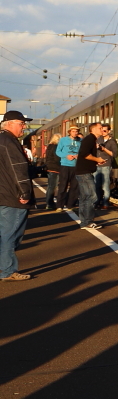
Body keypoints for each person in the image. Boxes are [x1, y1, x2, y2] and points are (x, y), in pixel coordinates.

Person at [0, 110, 34, 281]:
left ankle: (4, 267)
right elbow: (18, 169)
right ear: (10, 123)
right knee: (11, 234)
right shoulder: (9, 142)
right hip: (13, 196)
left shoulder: (1, 140)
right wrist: (25, 192)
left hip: (3, 193)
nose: (24, 126)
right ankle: (6, 271)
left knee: (5, 233)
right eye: (21, 123)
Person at [75, 122, 105, 232]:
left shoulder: (90, 139)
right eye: (100, 128)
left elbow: (85, 156)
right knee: (92, 196)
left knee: (84, 198)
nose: (103, 130)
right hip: (84, 173)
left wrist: (96, 163)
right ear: (93, 130)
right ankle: (88, 221)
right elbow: (84, 154)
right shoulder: (89, 139)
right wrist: (98, 160)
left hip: (83, 171)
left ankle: (84, 222)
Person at [55, 126, 81, 209]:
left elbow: (83, 151)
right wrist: (66, 156)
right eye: (73, 131)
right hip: (65, 165)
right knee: (63, 186)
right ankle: (60, 205)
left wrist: (79, 156)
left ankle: (70, 204)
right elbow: (58, 151)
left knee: (75, 186)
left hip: (76, 166)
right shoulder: (63, 140)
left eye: (76, 131)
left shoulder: (80, 141)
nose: (75, 133)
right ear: (69, 132)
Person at [94, 125, 117, 209]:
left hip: (106, 165)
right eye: (101, 130)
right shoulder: (98, 140)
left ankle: (105, 203)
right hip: (97, 165)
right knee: (96, 185)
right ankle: (97, 202)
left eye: (105, 131)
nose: (103, 132)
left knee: (105, 186)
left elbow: (114, 154)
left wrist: (104, 149)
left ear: (109, 131)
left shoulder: (112, 142)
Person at [43, 134, 61, 211]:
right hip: (55, 168)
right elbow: (57, 158)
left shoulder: (49, 146)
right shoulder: (56, 147)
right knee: (53, 187)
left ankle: (48, 203)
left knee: (50, 186)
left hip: (49, 167)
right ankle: (50, 203)